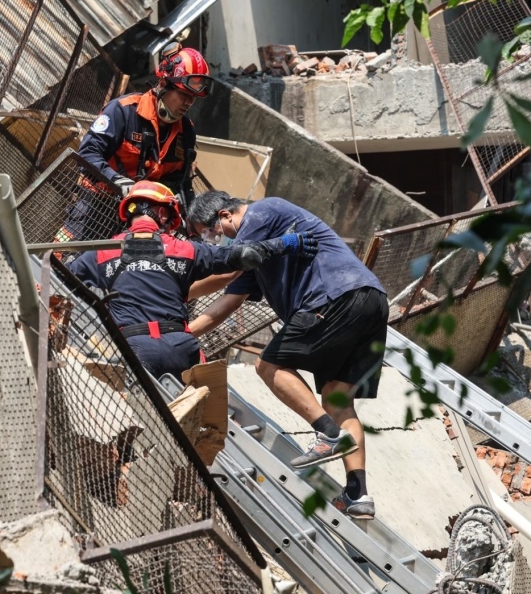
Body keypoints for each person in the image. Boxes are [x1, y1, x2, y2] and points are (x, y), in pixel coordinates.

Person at [187, 191, 388, 520]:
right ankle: (358, 494)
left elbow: (225, 271)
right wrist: (182, 333)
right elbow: (226, 303)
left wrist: (176, 286)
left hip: (332, 296)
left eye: (209, 232)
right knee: (338, 399)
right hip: (370, 301)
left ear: (224, 215)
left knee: (267, 365)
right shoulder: (254, 258)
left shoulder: (262, 212)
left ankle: (327, 433)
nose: (213, 240)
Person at [67, 181, 316, 380]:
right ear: (163, 214)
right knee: (201, 430)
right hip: (184, 348)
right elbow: (245, 255)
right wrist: (288, 243)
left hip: (136, 350)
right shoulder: (183, 249)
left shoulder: (99, 253)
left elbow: (58, 281)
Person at [57, 43, 211, 243]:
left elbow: (180, 182)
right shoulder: (123, 111)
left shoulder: (186, 131)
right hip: (96, 205)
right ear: (163, 85)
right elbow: (87, 154)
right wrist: (119, 182)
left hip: (144, 216)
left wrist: (193, 225)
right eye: (184, 95)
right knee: (65, 259)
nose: (189, 103)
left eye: (193, 98)